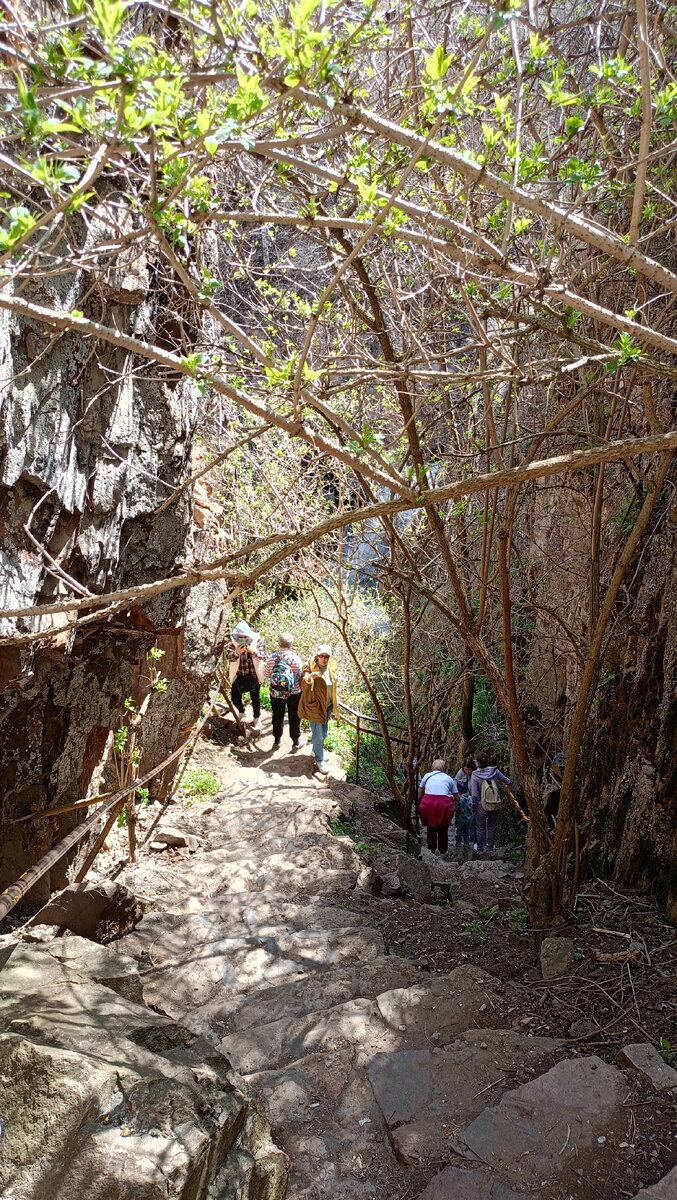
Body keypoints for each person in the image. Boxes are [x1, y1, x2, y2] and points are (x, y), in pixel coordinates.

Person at [299, 643, 339, 775]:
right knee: (318, 733)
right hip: (315, 706)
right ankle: (319, 760)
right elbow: (304, 686)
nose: (324, 659)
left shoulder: (331, 667)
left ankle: (317, 750)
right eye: (322, 656)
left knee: (324, 731)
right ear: (317, 656)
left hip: (327, 705)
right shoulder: (309, 667)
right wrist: (309, 678)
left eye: (327, 656)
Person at [264, 632, 305, 751]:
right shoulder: (296, 659)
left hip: (276, 693)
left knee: (277, 716)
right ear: (291, 644)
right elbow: (300, 676)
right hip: (293, 693)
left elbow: (266, 675)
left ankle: (277, 741)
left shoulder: (273, 658)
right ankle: (296, 742)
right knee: (294, 717)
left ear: (279, 644)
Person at [226, 619, 267, 732]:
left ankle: (257, 718)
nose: (242, 639)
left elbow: (263, 656)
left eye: (244, 637)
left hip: (254, 675)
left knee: (256, 699)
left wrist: (253, 652)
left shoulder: (256, 641)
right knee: (235, 697)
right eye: (240, 636)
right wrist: (236, 653)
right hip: (238, 675)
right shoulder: (233, 643)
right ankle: (242, 712)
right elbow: (228, 657)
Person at [471, 751, 511, 856]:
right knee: (491, 826)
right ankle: (490, 847)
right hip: (494, 803)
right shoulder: (495, 771)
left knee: (480, 827)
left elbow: (474, 794)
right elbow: (507, 781)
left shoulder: (475, 775)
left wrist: (474, 806)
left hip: (481, 805)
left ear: (478, 763)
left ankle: (480, 848)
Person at [418, 759, 458, 857]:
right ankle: (443, 852)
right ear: (444, 769)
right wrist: (451, 797)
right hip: (443, 806)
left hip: (428, 805)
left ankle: (431, 851)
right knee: (443, 830)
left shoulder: (427, 776)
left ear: (432, 768)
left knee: (430, 829)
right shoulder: (449, 778)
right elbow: (457, 798)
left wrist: (418, 804)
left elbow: (420, 792)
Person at [454, 756, 476, 848]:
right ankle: (461, 841)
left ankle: (471, 839)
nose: (468, 771)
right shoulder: (460, 773)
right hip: (463, 800)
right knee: (461, 824)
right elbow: (455, 784)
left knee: (472, 821)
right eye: (466, 769)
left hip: (473, 799)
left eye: (470, 769)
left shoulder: (476, 773)